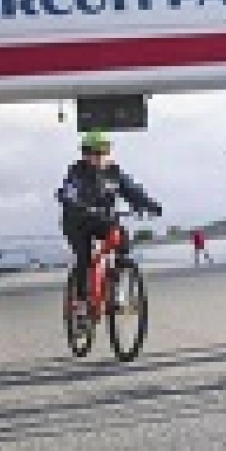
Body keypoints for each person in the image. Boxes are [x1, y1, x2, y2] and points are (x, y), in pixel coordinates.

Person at [55, 130, 162, 325]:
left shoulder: (114, 172)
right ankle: (80, 305)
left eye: (105, 151)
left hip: (103, 219)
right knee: (84, 257)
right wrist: (74, 202)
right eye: (95, 152)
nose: (100, 156)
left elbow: (132, 190)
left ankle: (118, 292)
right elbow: (68, 192)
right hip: (77, 222)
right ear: (85, 154)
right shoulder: (76, 172)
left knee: (121, 238)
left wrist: (149, 204)